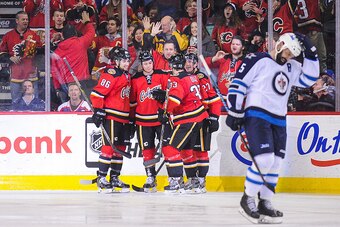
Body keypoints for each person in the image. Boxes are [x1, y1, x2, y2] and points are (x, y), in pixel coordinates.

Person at [225, 33, 319, 224]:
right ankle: (247, 199)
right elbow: (239, 83)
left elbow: (309, 79)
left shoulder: (291, 67)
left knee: (276, 163)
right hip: (257, 114)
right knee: (264, 159)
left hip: (279, 118)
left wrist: (311, 53)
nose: (289, 57)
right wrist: (234, 112)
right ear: (280, 44)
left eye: (293, 54)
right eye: (288, 52)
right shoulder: (258, 59)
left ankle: (265, 202)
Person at [152, 53, 208, 193]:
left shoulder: (176, 79)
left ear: (172, 66)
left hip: (187, 119)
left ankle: (176, 181)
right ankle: (193, 181)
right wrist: (166, 94)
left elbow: (176, 100)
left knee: (170, 149)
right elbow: (185, 95)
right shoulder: (192, 76)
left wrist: (165, 110)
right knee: (186, 151)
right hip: (197, 117)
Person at [90, 46, 132, 193]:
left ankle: (114, 177)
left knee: (120, 149)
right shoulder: (111, 73)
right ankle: (102, 178)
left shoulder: (126, 74)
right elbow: (97, 94)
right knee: (108, 147)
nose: (127, 63)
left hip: (124, 117)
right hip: (112, 116)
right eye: (124, 61)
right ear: (117, 61)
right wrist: (99, 110)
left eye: (128, 60)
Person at [130, 51, 170, 192]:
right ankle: (150, 177)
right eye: (145, 63)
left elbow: (171, 95)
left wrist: (165, 98)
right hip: (142, 121)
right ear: (141, 65)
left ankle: (173, 178)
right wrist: (131, 120)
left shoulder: (162, 75)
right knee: (147, 151)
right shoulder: (136, 79)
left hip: (160, 120)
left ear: (153, 62)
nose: (148, 66)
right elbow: (133, 102)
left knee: (167, 148)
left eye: (150, 63)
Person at [183, 53, 221, 193]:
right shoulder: (181, 77)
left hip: (201, 119)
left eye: (190, 62)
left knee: (200, 151)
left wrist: (214, 117)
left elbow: (213, 99)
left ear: (195, 65)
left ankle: (201, 181)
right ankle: (192, 179)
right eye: (186, 62)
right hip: (186, 120)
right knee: (187, 151)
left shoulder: (201, 78)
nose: (188, 64)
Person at [51, 11, 95, 103]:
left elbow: (55, 71)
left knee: (67, 109)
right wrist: (87, 22)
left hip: (65, 84)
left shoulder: (57, 50)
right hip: (81, 82)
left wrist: (57, 88)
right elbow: (91, 32)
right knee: (83, 107)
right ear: (75, 33)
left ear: (62, 36)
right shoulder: (80, 42)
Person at [0, 11, 42, 102]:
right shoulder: (8, 36)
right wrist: (10, 58)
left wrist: (34, 51)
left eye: (27, 19)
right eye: (23, 19)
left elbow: (41, 51)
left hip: (31, 74)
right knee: (16, 104)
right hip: (16, 75)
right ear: (17, 21)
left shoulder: (34, 35)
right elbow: (1, 53)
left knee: (34, 103)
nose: (25, 21)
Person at [205, 36, 244, 107]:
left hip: (239, 101)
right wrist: (215, 58)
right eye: (233, 44)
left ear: (243, 47)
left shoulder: (246, 62)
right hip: (222, 100)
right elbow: (204, 64)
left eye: (237, 44)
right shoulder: (224, 58)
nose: (234, 46)